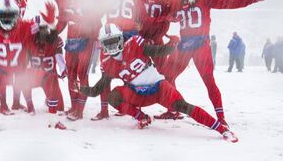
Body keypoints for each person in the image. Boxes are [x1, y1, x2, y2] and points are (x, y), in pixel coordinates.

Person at [81, 23, 238, 143]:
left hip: (159, 88)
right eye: (108, 43)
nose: (113, 46)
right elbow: (98, 89)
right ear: (102, 44)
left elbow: (158, 51)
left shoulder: (134, 44)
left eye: (114, 40)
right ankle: (141, 116)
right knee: (113, 96)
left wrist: (171, 46)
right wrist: (82, 90)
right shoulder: (108, 63)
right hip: (137, 94)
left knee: (184, 107)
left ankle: (221, 129)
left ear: (121, 38)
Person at [155, 0, 267, 125]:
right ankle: (174, 109)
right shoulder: (175, 1)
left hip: (201, 44)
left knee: (208, 80)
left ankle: (221, 118)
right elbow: (165, 16)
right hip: (184, 44)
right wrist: (162, 17)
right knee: (166, 77)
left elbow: (227, 3)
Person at [95, 0, 147, 120]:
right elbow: (97, 13)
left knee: (131, 74)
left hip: (130, 35)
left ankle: (128, 106)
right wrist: (100, 31)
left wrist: (139, 27)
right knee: (106, 74)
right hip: (111, 35)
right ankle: (104, 110)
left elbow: (142, 15)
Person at [55, 0, 100, 121]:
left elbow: (98, 15)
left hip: (87, 38)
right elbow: (62, 20)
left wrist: (93, 34)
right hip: (72, 38)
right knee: (71, 74)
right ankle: (74, 106)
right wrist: (53, 33)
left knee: (82, 74)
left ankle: (80, 110)